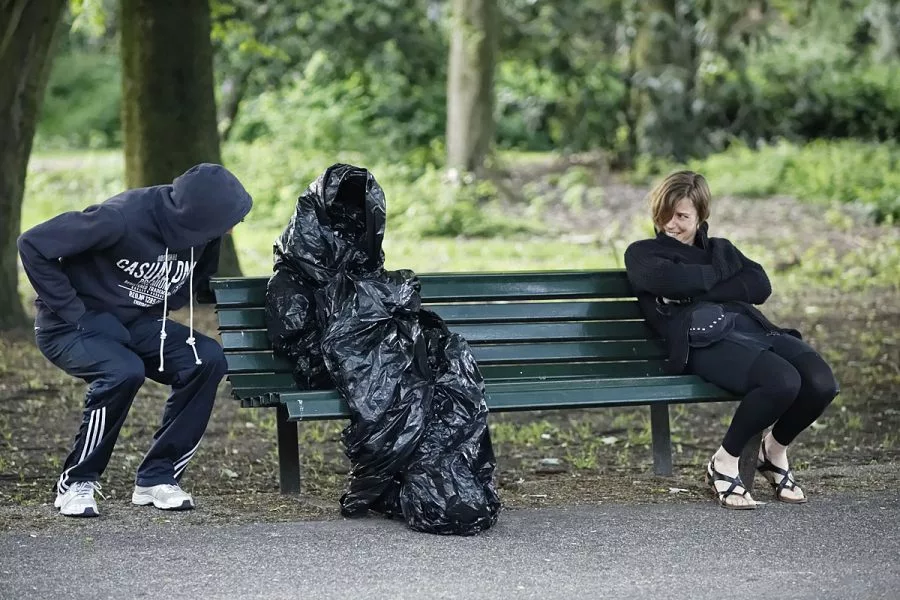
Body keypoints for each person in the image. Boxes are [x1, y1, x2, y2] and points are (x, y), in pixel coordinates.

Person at [17, 163, 252, 517]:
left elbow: (199, 279)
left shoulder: (203, 234)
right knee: (123, 371)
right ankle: (77, 481)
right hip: (67, 325)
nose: (232, 229)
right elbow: (33, 244)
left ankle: (158, 477)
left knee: (206, 359)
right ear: (196, 216)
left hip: (138, 324)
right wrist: (77, 313)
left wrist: (170, 305)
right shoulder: (121, 218)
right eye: (227, 221)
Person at [623, 171, 839, 510]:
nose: (671, 223)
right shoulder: (643, 254)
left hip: (750, 328)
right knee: (781, 382)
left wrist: (699, 287)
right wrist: (720, 276)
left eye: (681, 216)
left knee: (821, 382)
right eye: (665, 214)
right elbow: (669, 281)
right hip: (698, 342)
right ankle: (723, 462)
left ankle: (774, 451)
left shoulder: (721, 248)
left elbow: (760, 285)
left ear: (700, 216)